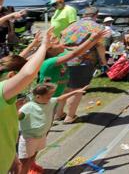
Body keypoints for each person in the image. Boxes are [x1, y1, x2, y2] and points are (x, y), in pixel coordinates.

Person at [0, 29, 51, 174]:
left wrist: (11, 155)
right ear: (11, 76)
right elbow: (28, 73)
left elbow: (16, 62)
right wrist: (43, 46)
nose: (26, 86)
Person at [37, 27, 109, 121]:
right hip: (46, 102)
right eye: (56, 42)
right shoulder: (50, 62)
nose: (61, 42)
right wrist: (92, 38)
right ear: (49, 49)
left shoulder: (58, 55)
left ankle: (59, 115)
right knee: (41, 127)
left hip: (52, 99)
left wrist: (93, 42)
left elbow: (76, 50)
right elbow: (74, 54)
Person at [17, 83, 88, 174]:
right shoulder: (28, 107)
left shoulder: (49, 102)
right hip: (29, 139)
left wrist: (75, 92)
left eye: (51, 96)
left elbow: (61, 98)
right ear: (38, 97)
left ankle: (31, 167)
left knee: (33, 155)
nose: (50, 98)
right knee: (24, 162)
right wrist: (16, 110)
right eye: (48, 96)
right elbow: (18, 116)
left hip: (40, 136)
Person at [58, 7, 106, 124]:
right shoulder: (97, 27)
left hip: (64, 58)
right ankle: (70, 116)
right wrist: (103, 61)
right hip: (82, 60)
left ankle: (58, 114)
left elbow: (61, 40)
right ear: (96, 15)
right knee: (77, 89)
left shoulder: (72, 25)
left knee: (64, 87)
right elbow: (99, 46)